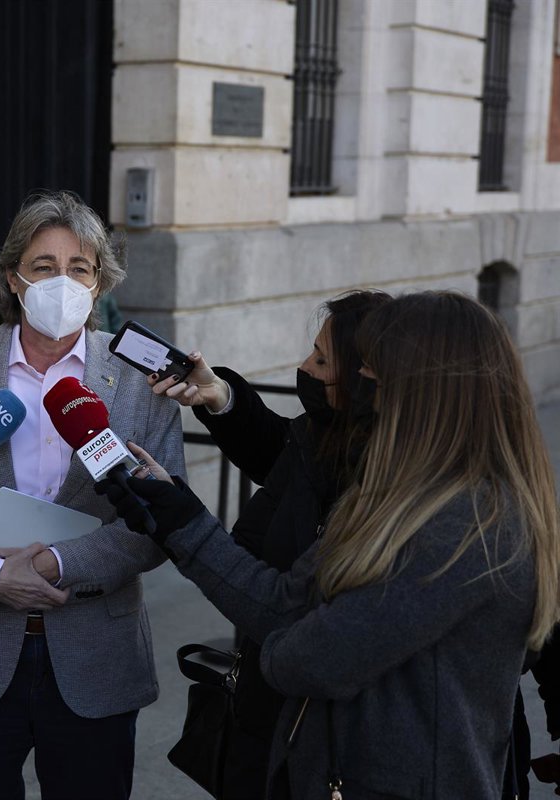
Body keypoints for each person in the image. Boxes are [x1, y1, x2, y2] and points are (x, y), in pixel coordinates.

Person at [99, 291, 560, 799]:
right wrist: (180, 517)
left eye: (372, 375)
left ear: (423, 391)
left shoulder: (456, 524)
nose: (366, 393)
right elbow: (287, 603)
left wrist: (278, 643)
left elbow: (305, 658)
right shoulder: (392, 492)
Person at [0, 190, 185, 800]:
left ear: (100, 282)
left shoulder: (141, 379)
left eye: (79, 268)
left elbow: (160, 521)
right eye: (44, 266)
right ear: (13, 277)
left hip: (96, 652)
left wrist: (57, 562)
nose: (63, 282)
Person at [148, 290, 390, 795]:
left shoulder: (397, 490)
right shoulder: (324, 435)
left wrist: (183, 522)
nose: (304, 367)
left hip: (328, 741)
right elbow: (283, 452)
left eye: (321, 360)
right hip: (266, 705)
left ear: (366, 378)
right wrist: (220, 396)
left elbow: (286, 608)